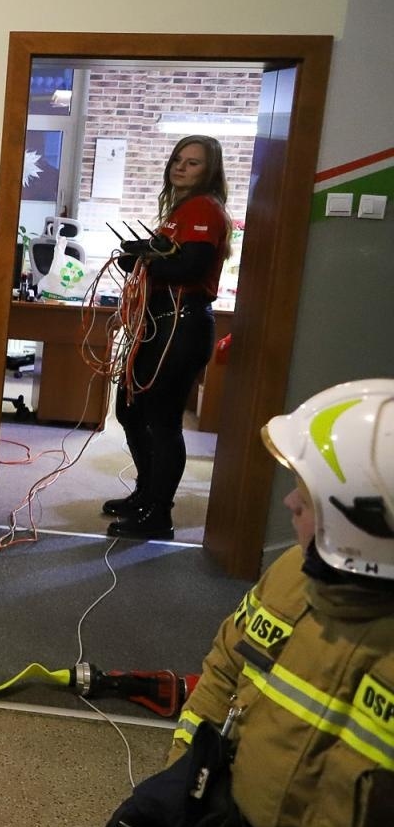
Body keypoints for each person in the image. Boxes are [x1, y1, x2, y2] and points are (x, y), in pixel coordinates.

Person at [92, 379, 394, 827]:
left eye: (308, 496)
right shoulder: (291, 577)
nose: (289, 504)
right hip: (232, 825)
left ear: (366, 527)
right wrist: (186, 783)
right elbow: (225, 670)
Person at [104, 135, 233, 539]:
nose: (181, 167)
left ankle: (158, 514)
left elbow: (190, 268)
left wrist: (141, 259)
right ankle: (147, 494)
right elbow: (170, 259)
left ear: (209, 171)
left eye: (192, 163)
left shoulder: (204, 208)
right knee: (130, 409)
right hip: (162, 324)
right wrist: (144, 253)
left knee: (160, 419)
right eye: (178, 159)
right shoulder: (182, 210)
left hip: (183, 325)